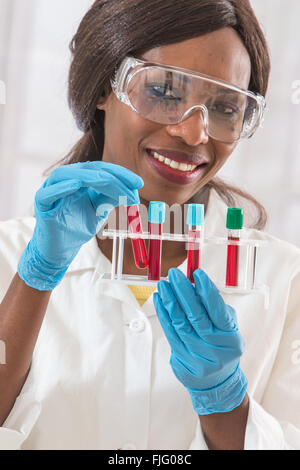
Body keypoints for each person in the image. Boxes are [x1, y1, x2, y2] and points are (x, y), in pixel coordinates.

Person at [0, 0, 299, 451]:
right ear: (105, 87)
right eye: (163, 92)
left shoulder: (284, 277)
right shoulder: (9, 253)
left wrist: (225, 402)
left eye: (224, 107)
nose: (195, 133)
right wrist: (36, 276)